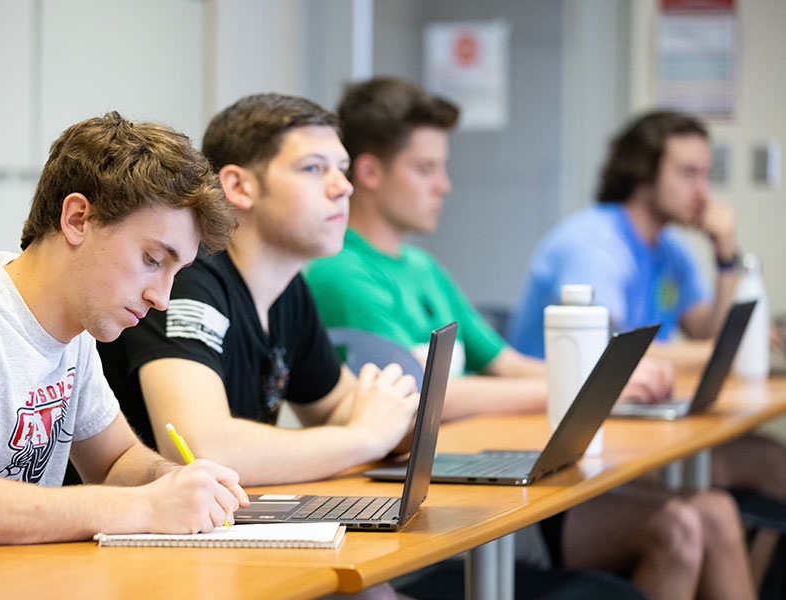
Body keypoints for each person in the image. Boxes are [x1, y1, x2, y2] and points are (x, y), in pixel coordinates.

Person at [304, 77, 754, 599]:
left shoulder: (421, 265)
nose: (445, 185)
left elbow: (505, 362)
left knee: (694, 518)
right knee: (682, 522)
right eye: (427, 169)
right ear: (371, 173)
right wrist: (580, 387)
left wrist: (598, 379)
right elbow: (430, 395)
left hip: (479, 480)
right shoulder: (342, 272)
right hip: (429, 509)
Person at [0, 112, 249, 566]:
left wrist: (177, 482)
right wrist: (143, 506)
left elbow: (116, 461)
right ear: (78, 218)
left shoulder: (73, 333)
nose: (162, 299)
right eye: (153, 259)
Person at [97, 94, 419, 487]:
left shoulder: (288, 288)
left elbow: (337, 407)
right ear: (239, 186)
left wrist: (395, 417)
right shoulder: (187, 277)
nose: (343, 188)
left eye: (343, 169)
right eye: (314, 168)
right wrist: (363, 438)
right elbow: (201, 449)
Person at [508, 110, 738, 371]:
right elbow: (611, 356)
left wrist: (726, 259)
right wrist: (725, 350)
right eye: (688, 173)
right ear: (643, 173)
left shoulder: (670, 248)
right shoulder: (593, 246)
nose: (702, 191)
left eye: (705, 174)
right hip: (551, 406)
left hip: (624, 400)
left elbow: (705, 332)